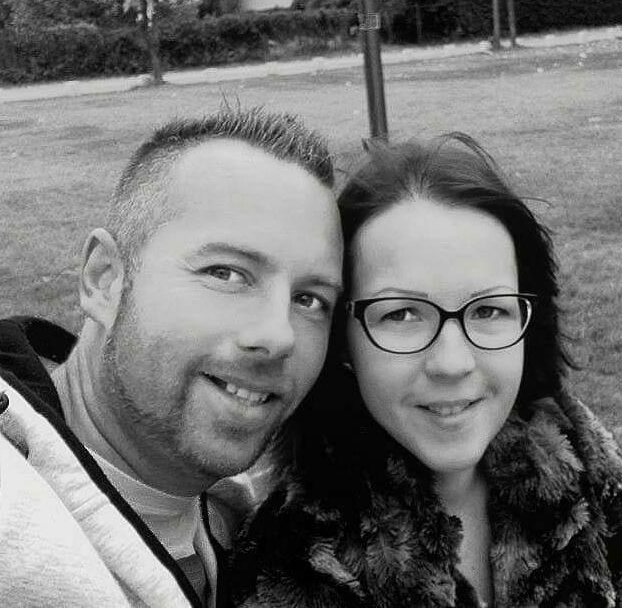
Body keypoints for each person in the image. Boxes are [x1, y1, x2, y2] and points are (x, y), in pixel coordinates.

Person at [231, 133, 622, 607]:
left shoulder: (581, 458)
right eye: (401, 315)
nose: (452, 363)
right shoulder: (294, 563)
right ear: (343, 342)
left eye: (488, 310)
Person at [0, 106, 343, 607]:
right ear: (104, 279)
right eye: (226, 273)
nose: (278, 335)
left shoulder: (249, 531)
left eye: (310, 299)